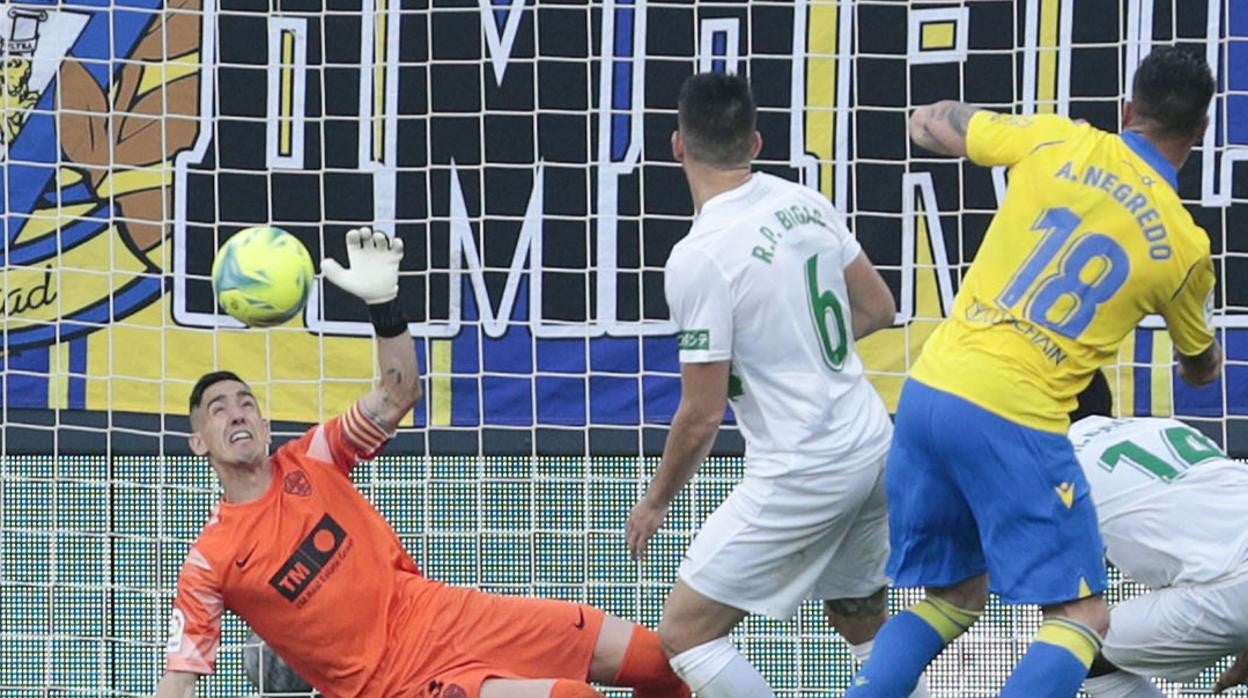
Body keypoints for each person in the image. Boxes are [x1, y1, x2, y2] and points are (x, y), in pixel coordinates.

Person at [155, 228, 690, 698]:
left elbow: (399, 395)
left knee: (657, 662)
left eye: (246, 401)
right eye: (218, 409)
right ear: (200, 442)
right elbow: (181, 675)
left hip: (445, 615)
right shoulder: (211, 561)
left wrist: (385, 307)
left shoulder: (314, 456)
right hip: (396, 683)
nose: (236, 412)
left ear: (266, 426)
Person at [846, 46, 1222, 698]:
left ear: (1126, 109)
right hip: (1014, 416)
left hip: (928, 392)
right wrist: (1201, 349)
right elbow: (1199, 369)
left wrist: (923, 117)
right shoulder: (1185, 247)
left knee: (956, 597)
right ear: (1202, 130)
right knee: (1082, 616)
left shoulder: (1057, 140)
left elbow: (943, 124)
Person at [626, 72, 928, 697]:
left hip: (804, 467)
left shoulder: (699, 256)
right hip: (872, 443)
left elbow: (701, 416)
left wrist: (655, 502)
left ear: (677, 145)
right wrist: (803, 355)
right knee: (859, 616)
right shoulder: (805, 202)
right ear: (756, 142)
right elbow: (878, 307)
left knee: (686, 634)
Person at [1064, 373, 1248, 698]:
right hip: (1233, 572)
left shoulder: (1054, 467)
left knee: (1076, 646)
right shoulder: (1162, 426)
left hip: (1228, 588)